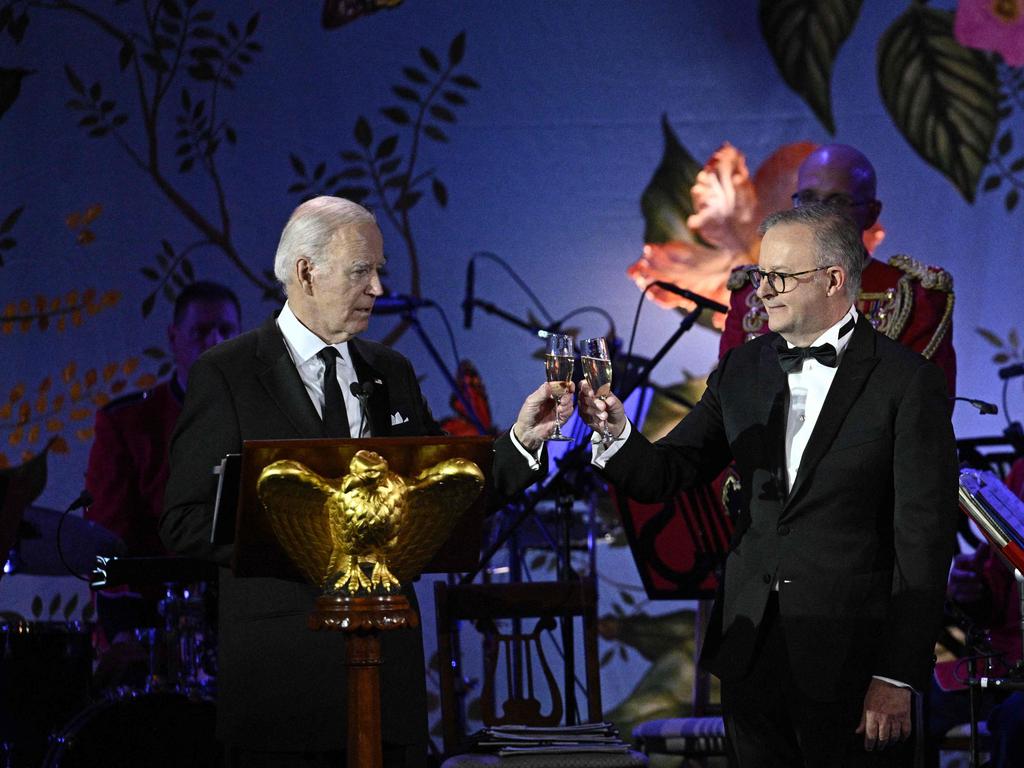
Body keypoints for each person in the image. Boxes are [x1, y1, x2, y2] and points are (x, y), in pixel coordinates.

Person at [160, 196, 569, 767]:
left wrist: (523, 440)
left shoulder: (391, 371)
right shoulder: (227, 374)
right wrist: (315, 538)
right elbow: (183, 522)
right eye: (361, 272)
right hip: (283, 690)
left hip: (389, 685)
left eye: (379, 272)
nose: (377, 288)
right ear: (306, 271)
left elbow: (445, 494)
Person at [580, 205, 959, 766]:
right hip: (750, 649)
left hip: (853, 661)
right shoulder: (742, 370)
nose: (763, 291)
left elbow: (924, 543)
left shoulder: (907, 383)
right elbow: (667, 473)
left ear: (834, 280)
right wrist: (614, 431)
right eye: (761, 275)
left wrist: (896, 674)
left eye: (781, 276)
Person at [719, 143, 956, 398]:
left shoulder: (914, 298)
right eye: (808, 198)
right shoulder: (751, 293)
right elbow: (727, 399)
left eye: (838, 201)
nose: (818, 213)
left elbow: (923, 413)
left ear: (871, 213)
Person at [84, 281, 240, 636]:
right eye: (200, 331)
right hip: (156, 624)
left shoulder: (268, 418)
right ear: (174, 339)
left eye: (226, 331)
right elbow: (106, 539)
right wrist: (122, 633)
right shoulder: (128, 423)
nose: (214, 341)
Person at [929, 457, 1024, 766]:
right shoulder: (1021, 471)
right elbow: (994, 583)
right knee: (913, 704)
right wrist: (972, 590)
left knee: (1016, 721)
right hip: (1005, 662)